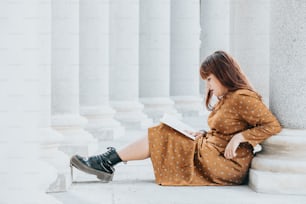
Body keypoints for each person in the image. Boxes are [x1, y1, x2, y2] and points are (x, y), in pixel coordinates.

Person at [70, 50, 282, 185]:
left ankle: (107, 161)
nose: (208, 86)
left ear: (224, 74)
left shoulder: (242, 98)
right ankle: (107, 161)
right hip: (212, 151)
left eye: (209, 79)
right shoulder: (228, 98)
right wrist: (204, 134)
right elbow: (225, 129)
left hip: (227, 163)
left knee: (162, 134)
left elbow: (272, 125)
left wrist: (240, 138)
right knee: (164, 130)